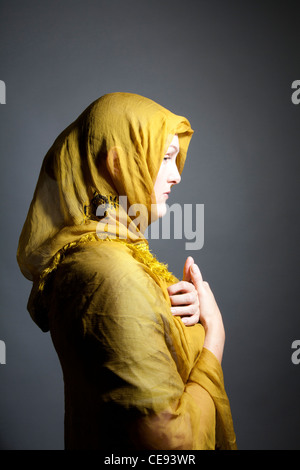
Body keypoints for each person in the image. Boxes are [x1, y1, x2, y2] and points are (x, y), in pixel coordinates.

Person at [17, 92, 237, 450]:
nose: (177, 175)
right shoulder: (111, 274)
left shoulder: (94, 257)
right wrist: (214, 335)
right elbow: (169, 443)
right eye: (165, 158)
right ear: (117, 163)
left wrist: (179, 319)